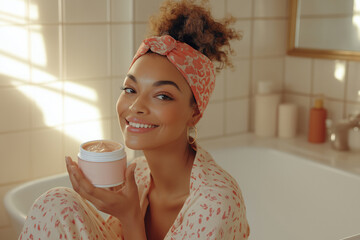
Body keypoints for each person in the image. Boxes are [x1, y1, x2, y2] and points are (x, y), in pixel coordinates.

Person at [19, 0, 250, 239]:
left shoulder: (216, 202)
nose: (136, 106)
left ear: (195, 114)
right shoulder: (137, 175)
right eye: (130, 89)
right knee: (57, 203)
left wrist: (129, 217)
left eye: (162, 95)